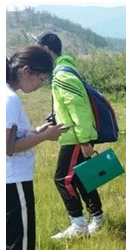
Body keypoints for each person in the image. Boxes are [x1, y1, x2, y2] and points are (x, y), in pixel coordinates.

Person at [6, 45, 65, 250]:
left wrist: (38, 133)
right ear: (26, 71)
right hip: (14, 184)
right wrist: (44, 138)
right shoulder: (9, 99)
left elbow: (13, 137)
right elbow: (7, 148)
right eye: (41, 79)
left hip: (9, 182)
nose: (41, 85)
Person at [35, 32, 106, 239]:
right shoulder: (65, 69)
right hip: (75, 134)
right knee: (83, 176)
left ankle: (78, 224)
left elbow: (79, 109)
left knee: (62, 179)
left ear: (47, 50)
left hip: (75, 136)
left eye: (39, 51)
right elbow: (66, 107)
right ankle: (97, 217)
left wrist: (84, 140)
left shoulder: (62, 74)